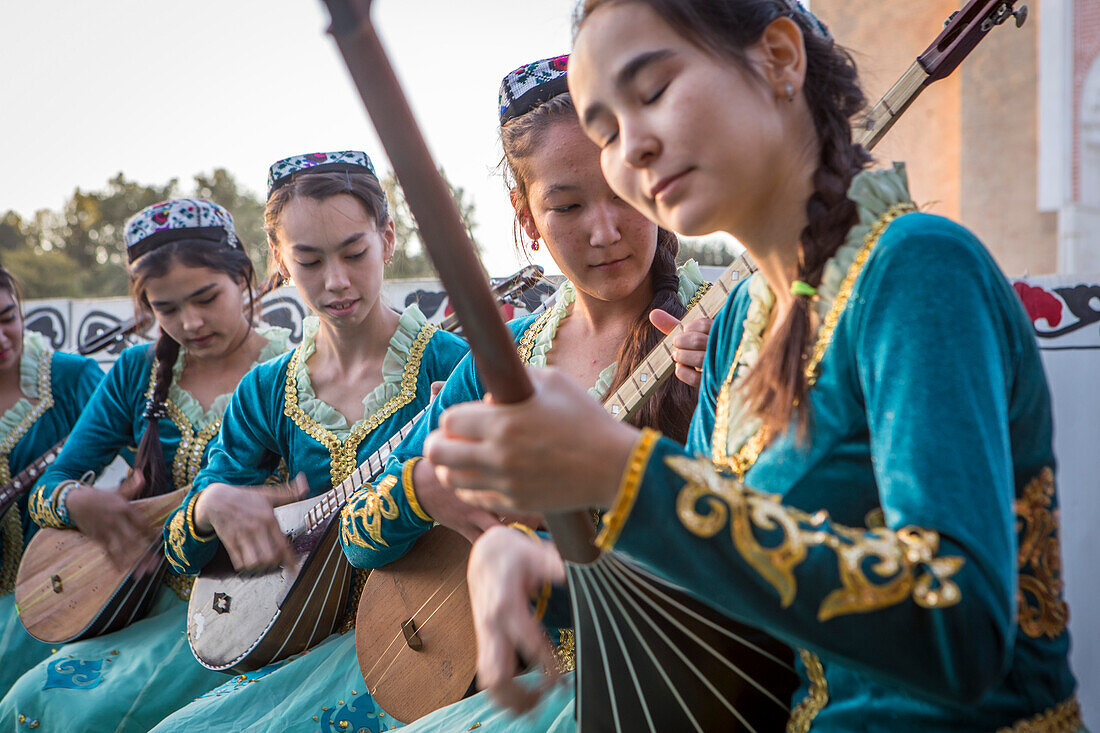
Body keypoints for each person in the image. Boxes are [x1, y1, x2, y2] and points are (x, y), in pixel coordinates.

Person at [419, 2, 1082, 730]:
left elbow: (961, 632)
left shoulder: (915, 268)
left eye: (653, 91)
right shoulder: (742, 319)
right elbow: (718, 577)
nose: (631, 147)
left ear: (779, 58)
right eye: (605, 129)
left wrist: (625, 472)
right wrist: (546, 570)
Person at [337, 56, 755, 730]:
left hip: (672, 676)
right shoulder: (502, 363)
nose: (604, 229)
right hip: (516, 687)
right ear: (527, 218)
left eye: (622, 190)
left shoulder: (729, 309)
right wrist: (422, 489)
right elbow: (357, 538)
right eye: (566, 205)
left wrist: (732, 387)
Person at [148, 151, 468, 733]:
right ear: (279, 259)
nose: (337, 281)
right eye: (310, 261)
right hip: (300, 647)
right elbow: (181, 552)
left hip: (429, 642)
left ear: (388, 238)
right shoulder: (267, 391)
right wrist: (207, 506)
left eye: (354, 252)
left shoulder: (451, 366)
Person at [3, 199, 291, 731]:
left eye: (207, 297)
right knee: (33, 699)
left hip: (252, 607)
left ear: (245, 277)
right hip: (143, 602)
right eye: (166, 309)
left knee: (74, 710)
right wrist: (81, 500)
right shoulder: (139, 371)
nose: (191, 322)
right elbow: (49, 488)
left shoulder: (291, 370)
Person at [0, 266, 104, 693]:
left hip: (60, 590)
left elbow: (146, 457)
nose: (1, 339)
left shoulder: (71, 377)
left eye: (7, 318)